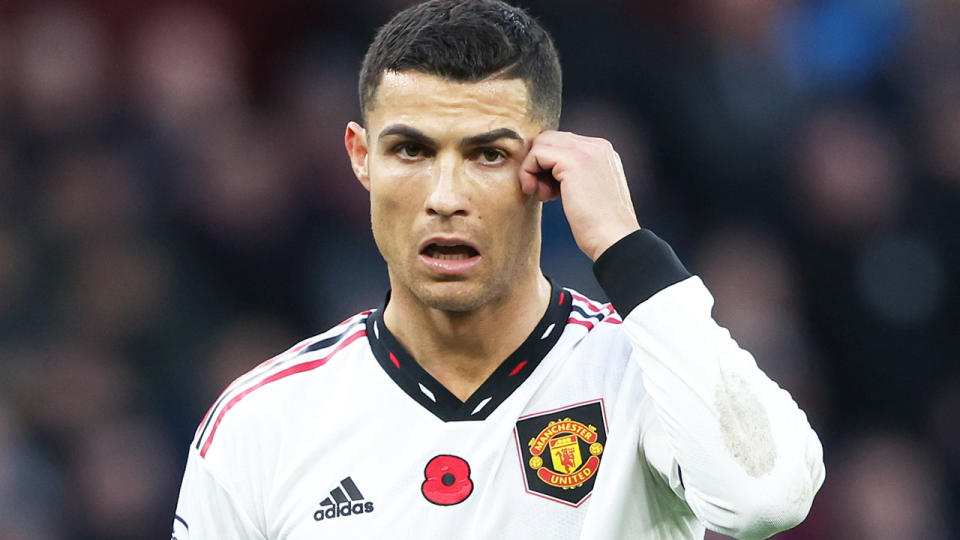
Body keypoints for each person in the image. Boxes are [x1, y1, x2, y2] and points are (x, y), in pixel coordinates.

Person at [173, 1, 825, 538]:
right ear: (360, 156)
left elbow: (768, 498)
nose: (446, 196)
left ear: (546, 163)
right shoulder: (262, 424)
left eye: (486, 154)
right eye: (411, 150)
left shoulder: (643, 376)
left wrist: (626, 247)